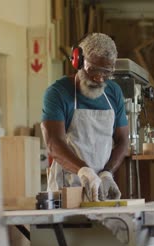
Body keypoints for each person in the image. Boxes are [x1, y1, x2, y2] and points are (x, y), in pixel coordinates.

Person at [41, 33, 129, 202]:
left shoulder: (114, 93)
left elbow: (123, 141)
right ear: (78, 61)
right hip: (66, 191)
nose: (99, 78)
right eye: (93, 70)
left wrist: (107, 173)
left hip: (100, 190)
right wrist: (84, 171)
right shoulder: (58, 93)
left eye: (106, 72)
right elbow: (53, 143)